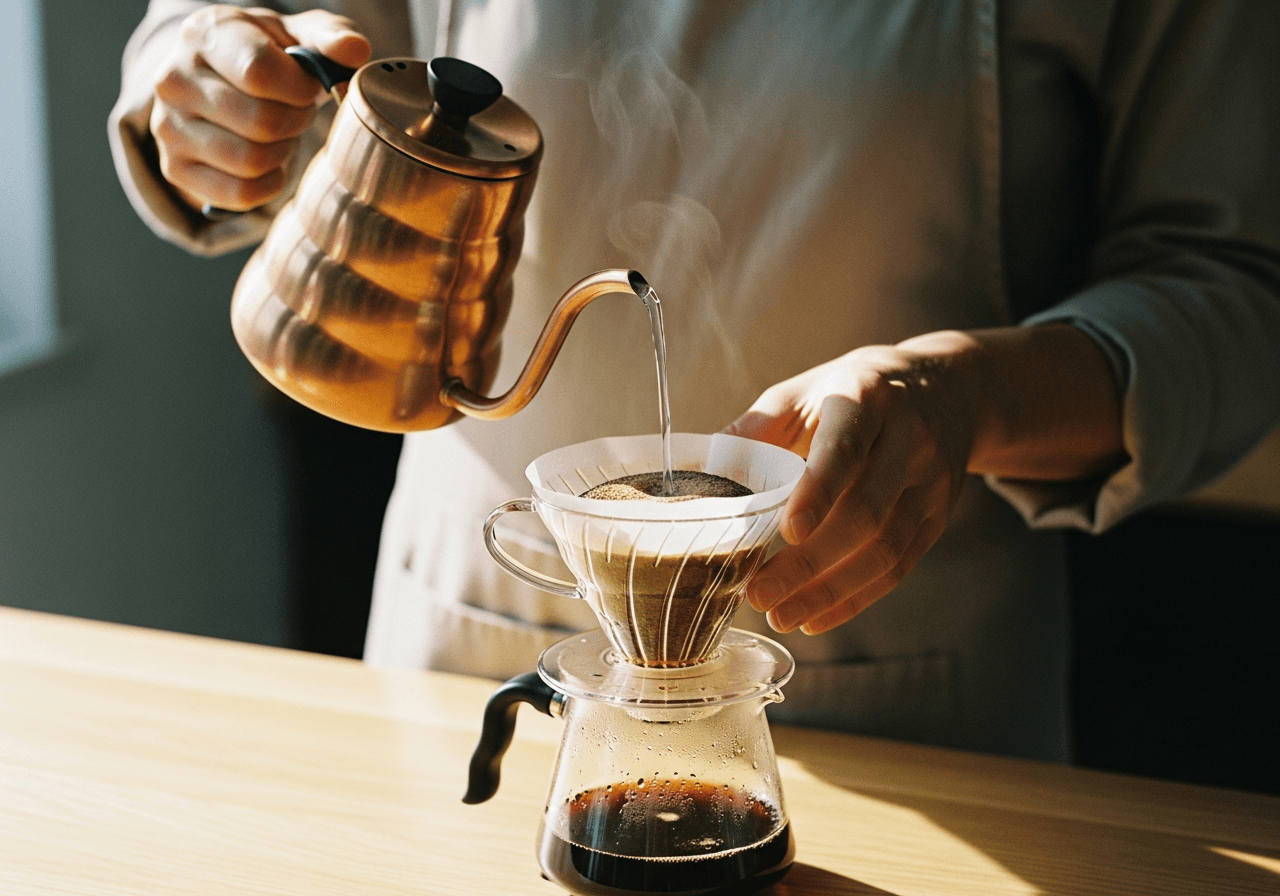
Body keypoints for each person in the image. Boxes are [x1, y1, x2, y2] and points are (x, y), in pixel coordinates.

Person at [110, 0, 1280, 762]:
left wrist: (963, 393)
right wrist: (207, 77)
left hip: (904, 696)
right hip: (480, 650)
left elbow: (1235, 288)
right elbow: (235, 36)